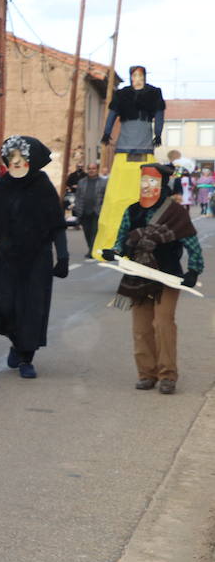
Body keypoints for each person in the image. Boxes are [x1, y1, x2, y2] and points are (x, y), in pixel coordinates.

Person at [103, 163, 203, 394]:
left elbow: (192, 244)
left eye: (152, 181)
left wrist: (193, 270)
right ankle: (146, 373)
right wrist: (114, 253)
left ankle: (167, 375)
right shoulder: (132, 210)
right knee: (141, 328)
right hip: (138, 275)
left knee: (163, 324)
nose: (146, 186)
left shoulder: (175, 213)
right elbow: (122, 240)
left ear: (162, 184)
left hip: (167, 276)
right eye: (143, 181)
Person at [0, 136, 68, 379]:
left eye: (20, 158)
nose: (15, 163)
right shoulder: (1, 186)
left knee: (32, 309)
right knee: (6, 305)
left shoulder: (42, 185)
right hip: (6, 257)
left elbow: (57, 224)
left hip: (37, 258)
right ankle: (16, 341)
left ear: (31, 160)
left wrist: (64, 256)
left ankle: (27, 357)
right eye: (11, 158)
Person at [94, 65, 165, 260]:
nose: (137, 79)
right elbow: (112, 115)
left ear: (144, 77)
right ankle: (112, 243)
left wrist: (158, 134)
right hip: (125, 147)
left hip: (144, 145)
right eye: (134, 75)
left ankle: (140, 244)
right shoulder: (122, 95)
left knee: (143, 194)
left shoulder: (153, 93)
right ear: (131, 77)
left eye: (140, 75)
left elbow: (159, 114)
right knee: (116, 197)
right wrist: (106, 132)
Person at [74, 162, 107, 255]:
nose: (91, 170)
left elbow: (105, 197)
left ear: (97, 170)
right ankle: (91, 248)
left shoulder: (103, 182)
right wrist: (77, 208)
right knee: (87, 232)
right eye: (89, 169)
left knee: (94, 232)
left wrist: (103, 208)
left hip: (97, 211)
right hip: (84, 211)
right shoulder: (82, 182)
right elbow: (78, 197)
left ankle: (92, 251)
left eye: (93, 168)